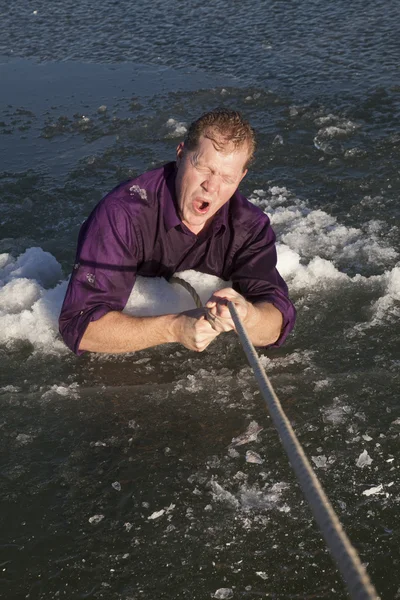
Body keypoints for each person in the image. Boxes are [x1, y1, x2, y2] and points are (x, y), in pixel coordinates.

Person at [59, 108, 296, 355]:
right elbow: (80, 327)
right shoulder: (123, 214)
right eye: (204, 168)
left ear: (242, 177)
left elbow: (276, 322)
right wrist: (174, 328)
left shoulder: (249, 226)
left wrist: (249, 317)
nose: (211, 187)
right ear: (181, 155)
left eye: (227, 178)